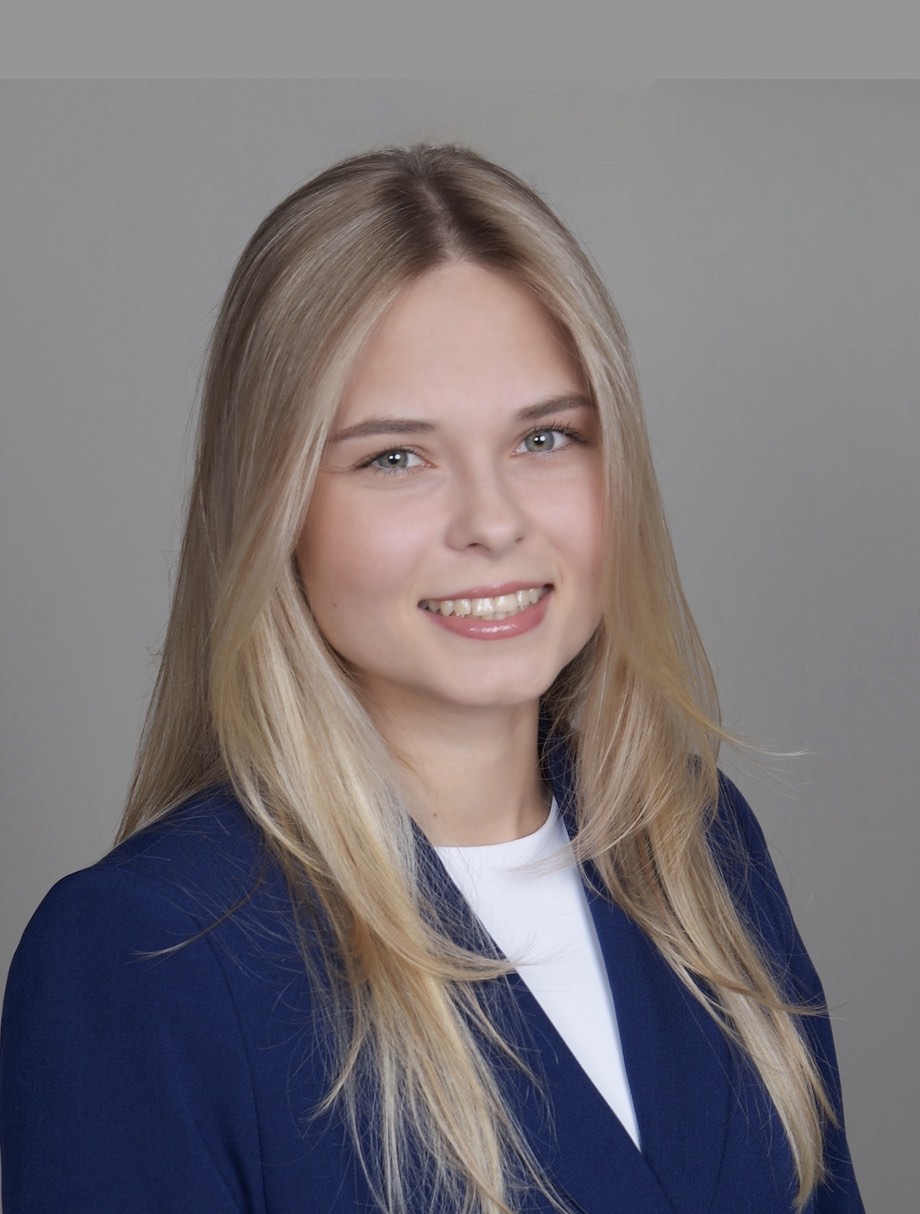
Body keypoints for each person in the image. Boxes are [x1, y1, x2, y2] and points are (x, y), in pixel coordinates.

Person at [0, 145, 863, 1214]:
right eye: (395, 457)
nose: (492, 521)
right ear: (273, 506)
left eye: (545, 436)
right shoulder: (144, 956)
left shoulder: (696, 848)